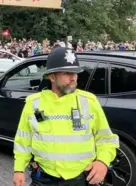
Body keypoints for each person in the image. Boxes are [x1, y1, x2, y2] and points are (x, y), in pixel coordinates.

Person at [13, 47, 119, 186]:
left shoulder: (89, 102)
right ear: (52, 77)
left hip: (82, 179)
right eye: (67, 73)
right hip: (44, 178)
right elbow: (23, 141)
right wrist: (19, 169)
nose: (73, 77)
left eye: (75, 73)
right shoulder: (33, 104)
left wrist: (102, 162)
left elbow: (106, 139)